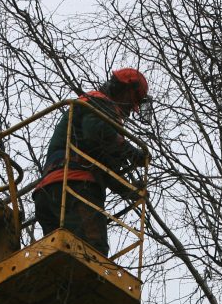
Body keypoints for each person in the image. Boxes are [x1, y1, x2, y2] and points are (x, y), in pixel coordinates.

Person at [32, 68, 149, 257]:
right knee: (93, 253)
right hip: (76, 189)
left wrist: (130, 189)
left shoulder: (95, 109)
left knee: (60, 258)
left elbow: (104, 168)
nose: (129, 110)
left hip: (49, 192)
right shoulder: (99, 103)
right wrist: (129, 151)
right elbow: (95, 132)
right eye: (131, 103)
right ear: (126, 91)